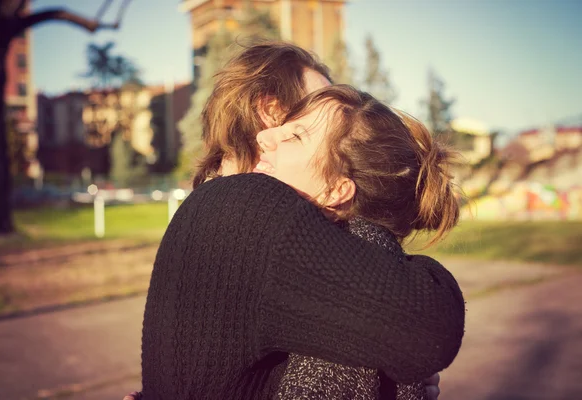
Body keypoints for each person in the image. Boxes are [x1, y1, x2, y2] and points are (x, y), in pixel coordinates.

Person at [138, 43, 464, 400]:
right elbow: (427, 327)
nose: (342, 103)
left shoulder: (219, 205)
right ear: (270, 111)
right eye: (310, 108)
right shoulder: (246, 205)